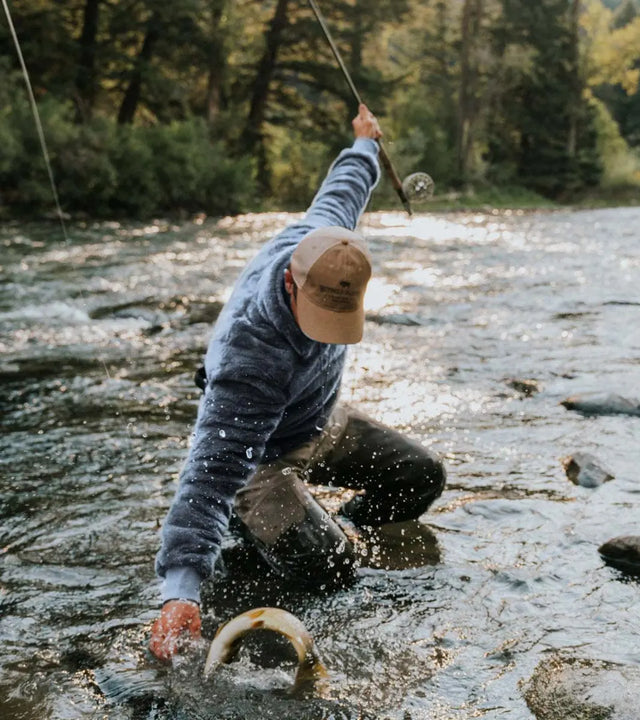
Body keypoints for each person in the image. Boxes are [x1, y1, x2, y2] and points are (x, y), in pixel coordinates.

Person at [149, 105, 446, 661]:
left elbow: (346, 186)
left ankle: (313, 530)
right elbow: (210, 471)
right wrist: (180, 591)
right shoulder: (252, 357)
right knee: (334, 573)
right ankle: (257, 532)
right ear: (290, 280)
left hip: (317, 419)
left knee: (421, 477)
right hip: (259, 458)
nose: (325, 335)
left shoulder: (327, 239)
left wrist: (364, 144)